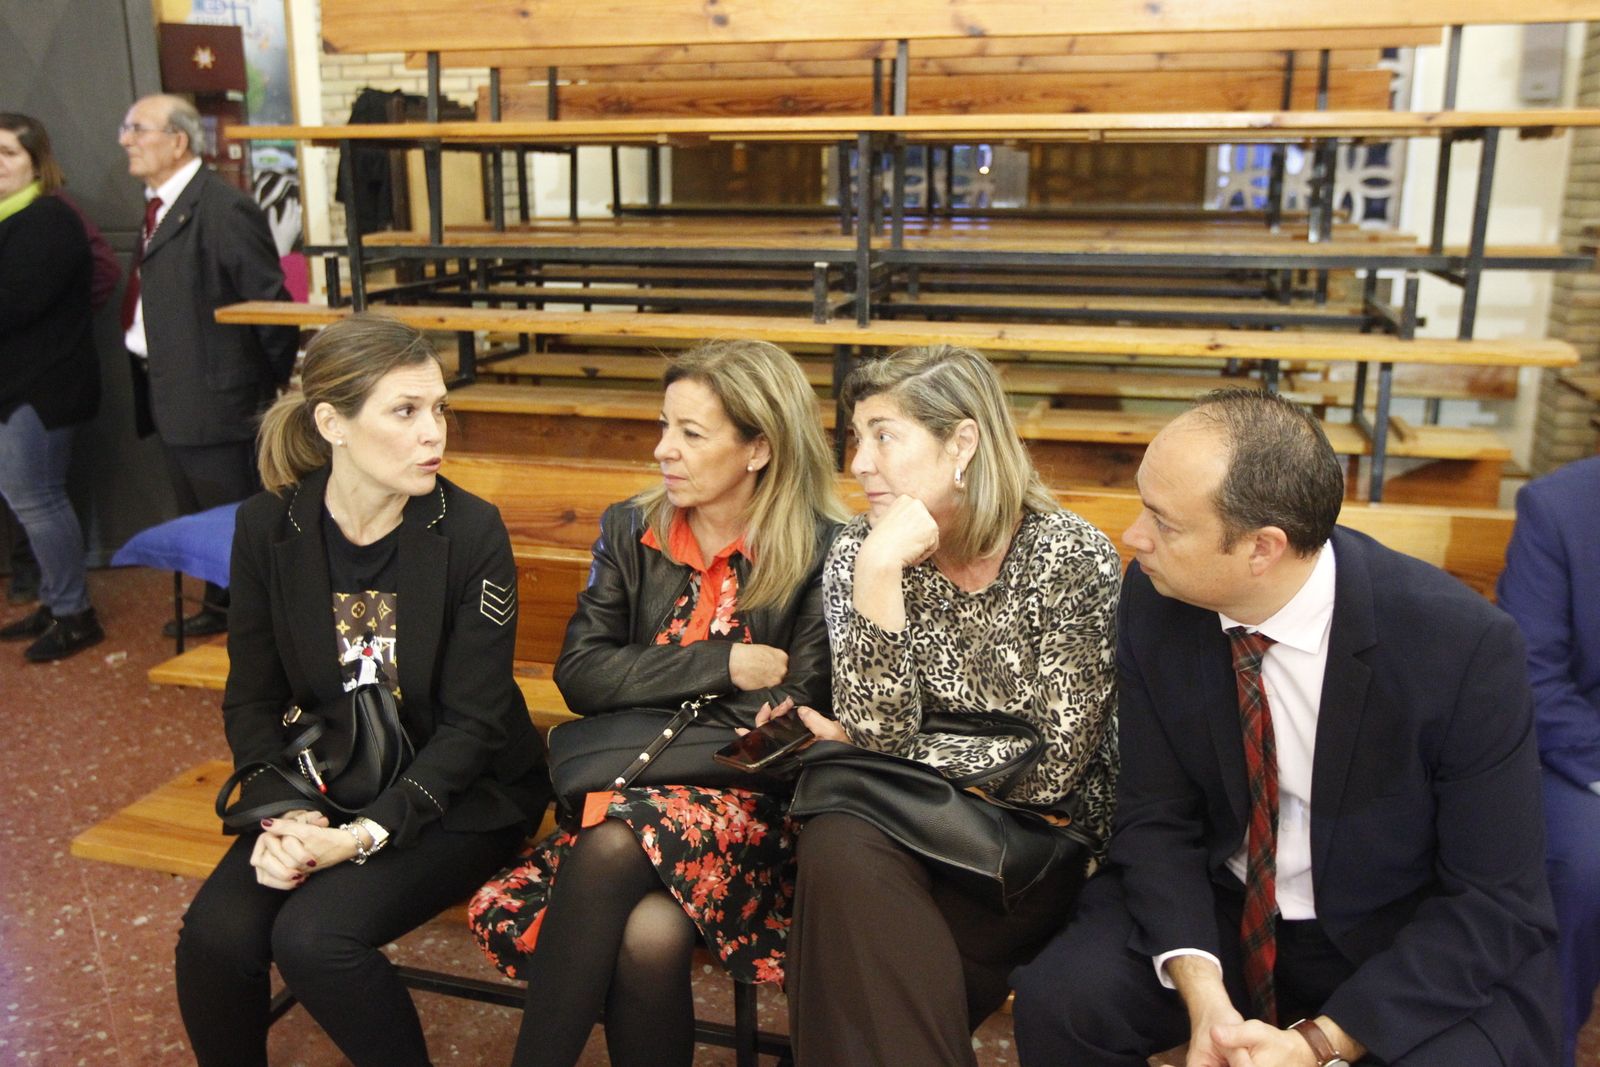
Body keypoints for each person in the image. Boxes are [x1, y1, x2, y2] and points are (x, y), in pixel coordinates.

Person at [1012, 389, 1559, 1066]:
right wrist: (1202, 991)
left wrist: (1318, 1041)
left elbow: (1497, 899)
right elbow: (1157, 816)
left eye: (1165, 521)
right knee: (1064, 1001)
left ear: (1263, 548)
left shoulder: (1462, 646)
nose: (1135, 537)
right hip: (1223, 905)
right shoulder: (1157, 599)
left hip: (1397, 933)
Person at [173, 315, 549, 1067]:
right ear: (331, 423)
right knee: (216, 936)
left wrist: (358, 836)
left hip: (460, 793)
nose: (432, 432)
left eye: (438, 407)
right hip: (326, 783)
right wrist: (285, 815)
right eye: (404, 411)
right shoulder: (269, 527)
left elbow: (472, 727)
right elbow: (251, 697)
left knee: (315, 937)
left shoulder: (470, 529)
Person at [467, 339, 844, 1067]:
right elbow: (581, 672)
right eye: (663, 424)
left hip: (749, 808)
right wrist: (723, 663)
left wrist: (656, 683)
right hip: (634, 786)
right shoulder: (630, 530)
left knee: (614, 846)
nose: (662, 448)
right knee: (648, 932)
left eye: (690, 433)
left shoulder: (824, 549)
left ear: (758, 448)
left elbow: (794, 714)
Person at [776, 345, 1122, 1067]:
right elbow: (878, 728)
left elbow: (1049, 771)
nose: (860, 463)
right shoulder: (859, 552)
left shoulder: (1069, 554)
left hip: (1030, 847)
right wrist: (877, 571)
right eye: (855, 438)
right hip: (906, 828)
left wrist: (884, 752)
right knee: (839, 836)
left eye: (883, 435)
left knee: (850, 922)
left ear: (962, 440)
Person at [119, 93, 298, 638]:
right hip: (176, 397)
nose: (125, 139)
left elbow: (270, 308)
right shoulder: (160, 205)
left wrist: (261, 388)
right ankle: (222, 607)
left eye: (136, 128)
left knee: (235, 522)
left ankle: (260, 628)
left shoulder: (222, 207)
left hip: (219, 402)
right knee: (200, 517)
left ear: (177, 140)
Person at [1497, 454, 1600, 1067]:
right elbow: (1534, 673)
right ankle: (1546, 1046)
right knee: (1581, 865)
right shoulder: (1559, 507)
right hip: (1581, 749)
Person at [0, 112, 104, 662]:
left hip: (42, 390)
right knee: (26, 499)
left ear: (36, 163)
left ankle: (74, 614)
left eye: (8, 154)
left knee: (36, 499)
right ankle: (53, 598)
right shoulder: (8, 219)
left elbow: (15, 304)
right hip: (16, 388)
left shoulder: (48, 220)